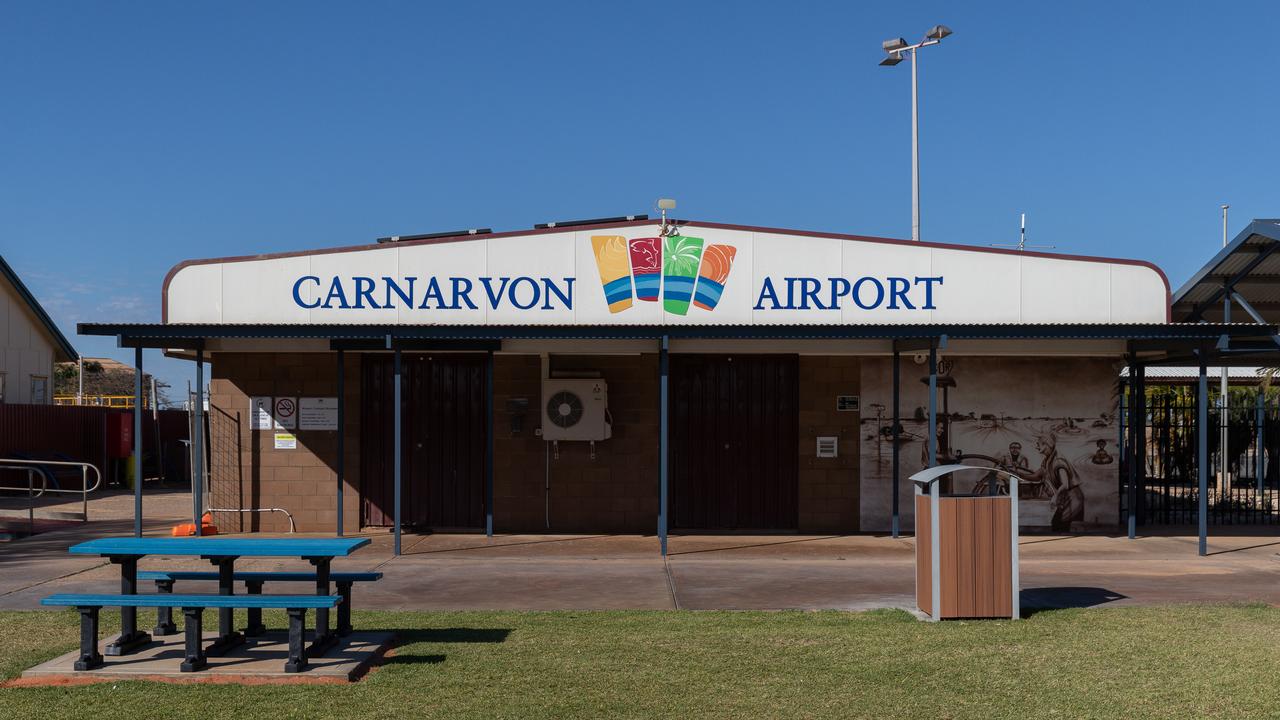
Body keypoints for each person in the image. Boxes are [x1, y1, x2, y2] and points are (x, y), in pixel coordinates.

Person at [1023, 431, 1085, 532]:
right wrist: (1017, 474)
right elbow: (1036, 476)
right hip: (1065, 497)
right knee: (1057, 524)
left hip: (1073, 498)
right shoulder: (1047, 460)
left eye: (1038, 444)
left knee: (1060, 525)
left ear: (1046, 444)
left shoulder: (1058, 461)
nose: (1036, 447)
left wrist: (1055, 497)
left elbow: (1065, 484)